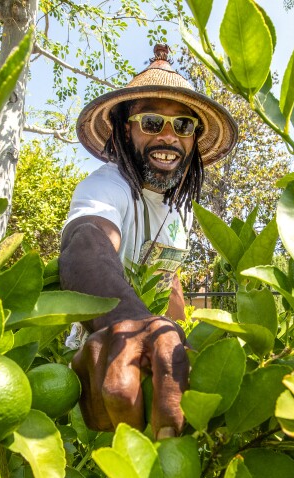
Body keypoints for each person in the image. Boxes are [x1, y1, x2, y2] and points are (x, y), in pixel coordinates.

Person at [59, 44, 238, 440]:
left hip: (150, 377)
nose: (169, 137)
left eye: (184, 126)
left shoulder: (181, 208)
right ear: (127, 129)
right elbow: (86, 241)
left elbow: (167, 278)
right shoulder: (108, 185)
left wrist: (176, 339)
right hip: (96, 371)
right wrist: (133, 321)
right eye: (152, 123)